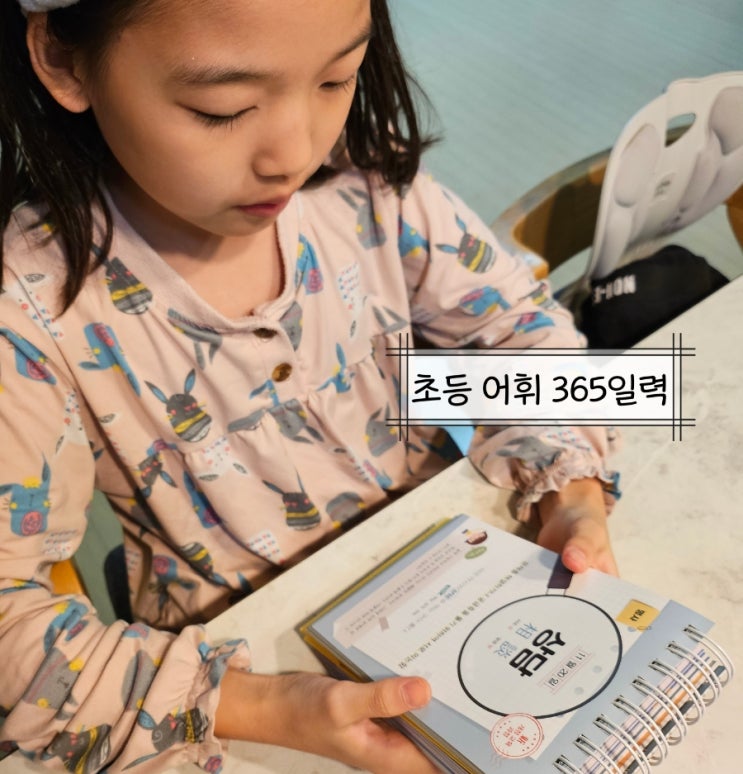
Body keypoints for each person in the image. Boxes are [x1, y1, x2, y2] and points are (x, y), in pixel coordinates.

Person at [0, 0, 619, 771]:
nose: (293, 154)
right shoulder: (29, 307)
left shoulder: (365, 182)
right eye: (223, 108)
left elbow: (516, 331)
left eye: (336, 79)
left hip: (468, 582)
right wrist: (271, 707)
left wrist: (570, 492)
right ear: (64, 59)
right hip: (245, 676)